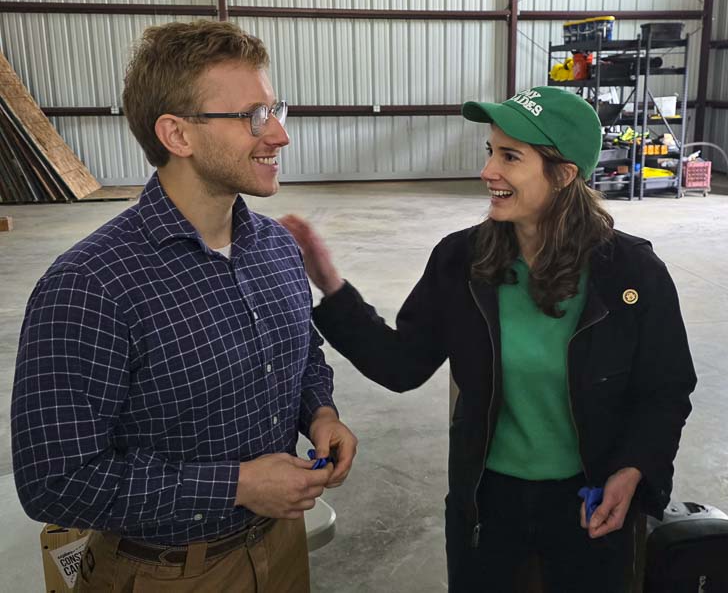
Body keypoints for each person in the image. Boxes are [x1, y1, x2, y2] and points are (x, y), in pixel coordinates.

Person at [280, 86, 696, 592]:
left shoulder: (632, 274)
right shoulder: (462, 261)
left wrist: (634, 469)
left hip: (592, 501)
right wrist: (331, 286)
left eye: (510, 157)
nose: (488, 171)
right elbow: (401, 365)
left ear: (564, 175)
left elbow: (665, 390)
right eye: (490, 151)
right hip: (488, 503)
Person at [11, 20, 357, 593]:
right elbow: (54, 482)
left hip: (282, 544)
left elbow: (302, 354)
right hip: (163, 572)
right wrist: (237, 486)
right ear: (176, 134)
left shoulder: (274, 248)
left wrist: (320, 412)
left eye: (277, 111)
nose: (279, 136)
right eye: (253, 117)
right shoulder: (90, 285)